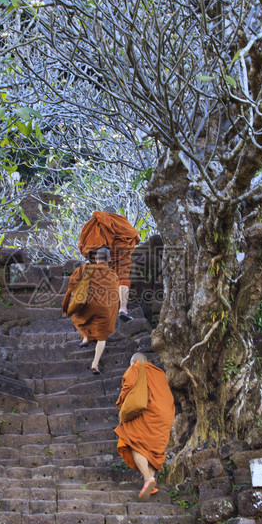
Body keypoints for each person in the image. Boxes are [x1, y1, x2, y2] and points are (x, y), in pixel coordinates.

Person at [114, 352, 175, 499]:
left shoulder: (136, 367)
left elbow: (128, 387)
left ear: (134, 360)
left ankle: (148, 479)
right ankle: (150, 482)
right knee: (153, 449)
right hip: (166, 414)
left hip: (148, 412)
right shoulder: (159, 373)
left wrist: (122, 405)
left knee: (134, 442)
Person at [61, 246, 119, 374]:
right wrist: (111, 314)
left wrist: (65, 307)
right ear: (109, 260)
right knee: (102, 337)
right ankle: (95, 363)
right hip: (105, 309)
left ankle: (86, 336)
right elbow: (115, 297)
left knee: (78, 317)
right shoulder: (113, 275)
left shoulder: (84, 268)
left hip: (87, 305)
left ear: (96, 258)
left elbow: (71, 289)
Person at [78, 209, 140, 321]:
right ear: (115, 213)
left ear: (104, 212)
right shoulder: (121, 221)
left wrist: (95, 257)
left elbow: (87, 243)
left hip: (102, 255)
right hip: (121, 254)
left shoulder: (96, 222)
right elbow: (133, 237)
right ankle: (123, 309)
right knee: (123, 279)